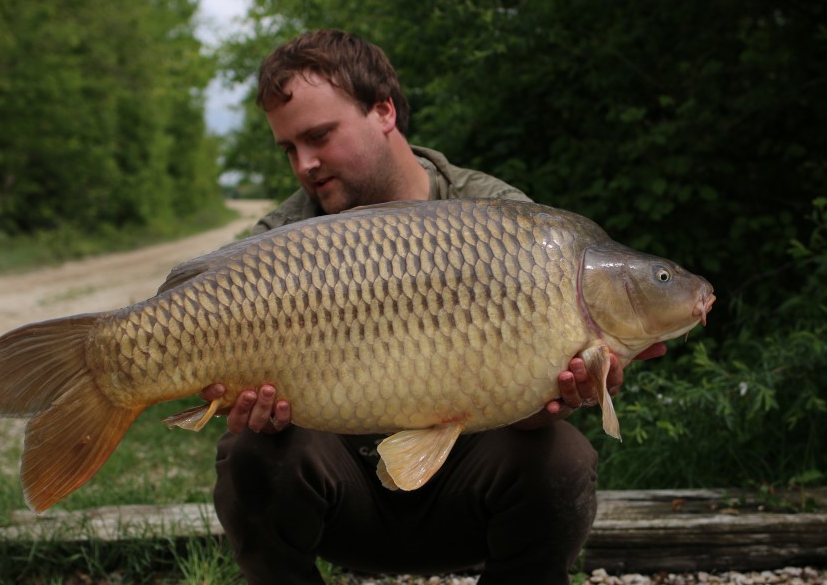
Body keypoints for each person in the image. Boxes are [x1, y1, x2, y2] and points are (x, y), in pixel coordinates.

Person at [200, 29, 665, 584]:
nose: (304, 164)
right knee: (250, 451)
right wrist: (255, 415)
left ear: (384, 111)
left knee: (560, 456)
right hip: (341, 502)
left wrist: (550, 400)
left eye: (319, 136)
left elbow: (534, 412)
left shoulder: (503, 219)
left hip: (465, 499)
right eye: (289, 149)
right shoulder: (282, 237)